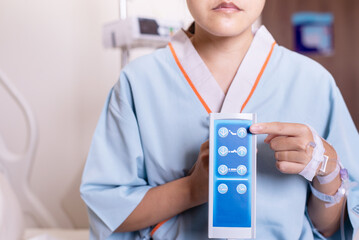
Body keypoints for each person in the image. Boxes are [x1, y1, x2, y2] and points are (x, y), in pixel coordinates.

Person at [80, 0, 359, 239]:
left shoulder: (314, 83)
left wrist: (327, 171)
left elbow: (332, 229)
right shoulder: (138, 83)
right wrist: (191, 190)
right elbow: (108, 210)